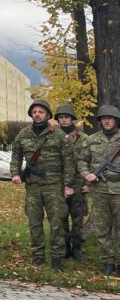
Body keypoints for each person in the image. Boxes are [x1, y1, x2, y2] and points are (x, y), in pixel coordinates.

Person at [10, 99, 74, 271]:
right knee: (34, 222)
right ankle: (38, 256)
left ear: (47, 115)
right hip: (33, 186)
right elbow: (16, 154)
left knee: (57, 223)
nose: (37, 114)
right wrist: (15, 173)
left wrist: (68, 184)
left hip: (54, 186)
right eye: (35, 112)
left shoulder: (59, 135)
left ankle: (57, 259)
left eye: (41, 112)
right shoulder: (23, 134)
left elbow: (68, 161)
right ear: (31, 114)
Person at [78, 105, 120, 276]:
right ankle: (107, 261)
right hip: (100, 191)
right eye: (104, 118)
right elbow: (82, 160)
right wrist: (86, 174)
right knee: (102, 228)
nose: (107, 121)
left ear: (116, 120)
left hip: (119, 191)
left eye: (110, 118)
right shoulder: (91, 140)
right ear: (100, 121)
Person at [55, 104, 87, 260]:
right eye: (61, 117)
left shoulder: (83, 138)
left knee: (78, 218)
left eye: (66, 117)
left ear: (72, 118)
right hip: (59, 183)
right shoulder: (53, 137)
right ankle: (65, 247)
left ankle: (77, 248)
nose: (64, 120)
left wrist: (88, 183)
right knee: (61, 217)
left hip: (79, 183)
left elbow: (90, 161)